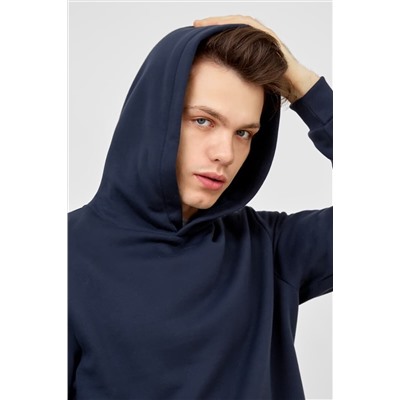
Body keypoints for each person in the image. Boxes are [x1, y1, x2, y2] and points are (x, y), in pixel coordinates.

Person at [68, 15, 332, 400]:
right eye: (203, 121)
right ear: (153, 116)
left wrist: (301, 85)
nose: (226, 153)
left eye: (243, 133)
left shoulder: (271, 250)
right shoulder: (64, 255)